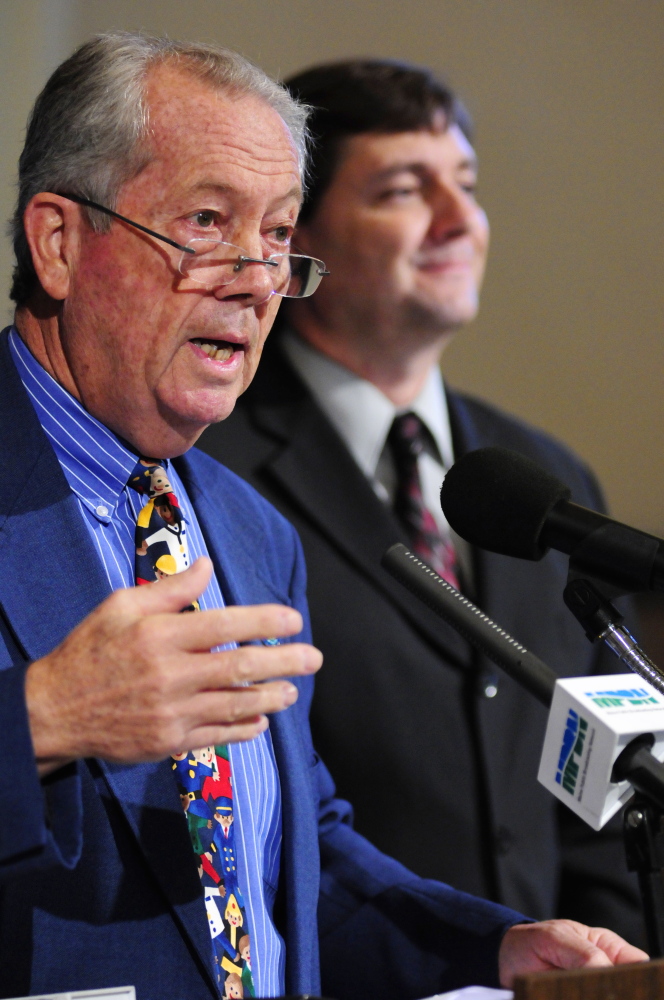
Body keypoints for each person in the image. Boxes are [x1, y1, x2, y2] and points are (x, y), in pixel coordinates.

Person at [0, 33, 646, 1000]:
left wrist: (483, 947)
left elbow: (287, 867)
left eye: (277, 237)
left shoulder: (250, 530)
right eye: (209, 222)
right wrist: (42, 720)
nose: (257, 279)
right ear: (59, 241)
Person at [199, 58, 644, 944]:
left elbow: (610, 797)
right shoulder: (215, 469)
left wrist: (603, 967)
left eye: (467, 185)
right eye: (405, 190)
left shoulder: (549, 480)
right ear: (299, 240)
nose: (458, 221)